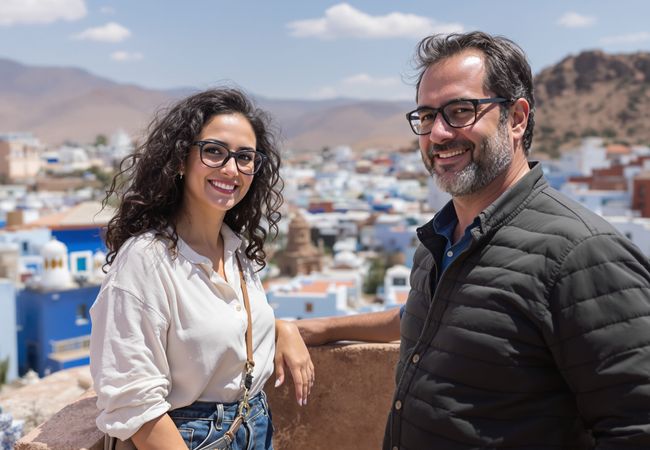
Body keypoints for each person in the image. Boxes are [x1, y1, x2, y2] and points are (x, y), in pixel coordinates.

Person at [297, 31, 650, 449]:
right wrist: (316, 328)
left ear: (516, 118)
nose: (438, 133)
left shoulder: (581, 254)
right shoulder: (438, 242)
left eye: (460, 111)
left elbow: (637, 426)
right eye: (426, 116)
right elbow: (429, 318)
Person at [90, 88, 314, 450]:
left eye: (245, 157)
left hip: (255, 426)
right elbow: (133, 401)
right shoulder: (146, 260)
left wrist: (282, 328)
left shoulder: (235, 252)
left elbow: (219, 330)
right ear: (180, 159)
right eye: (214, 151)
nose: (231, 169)